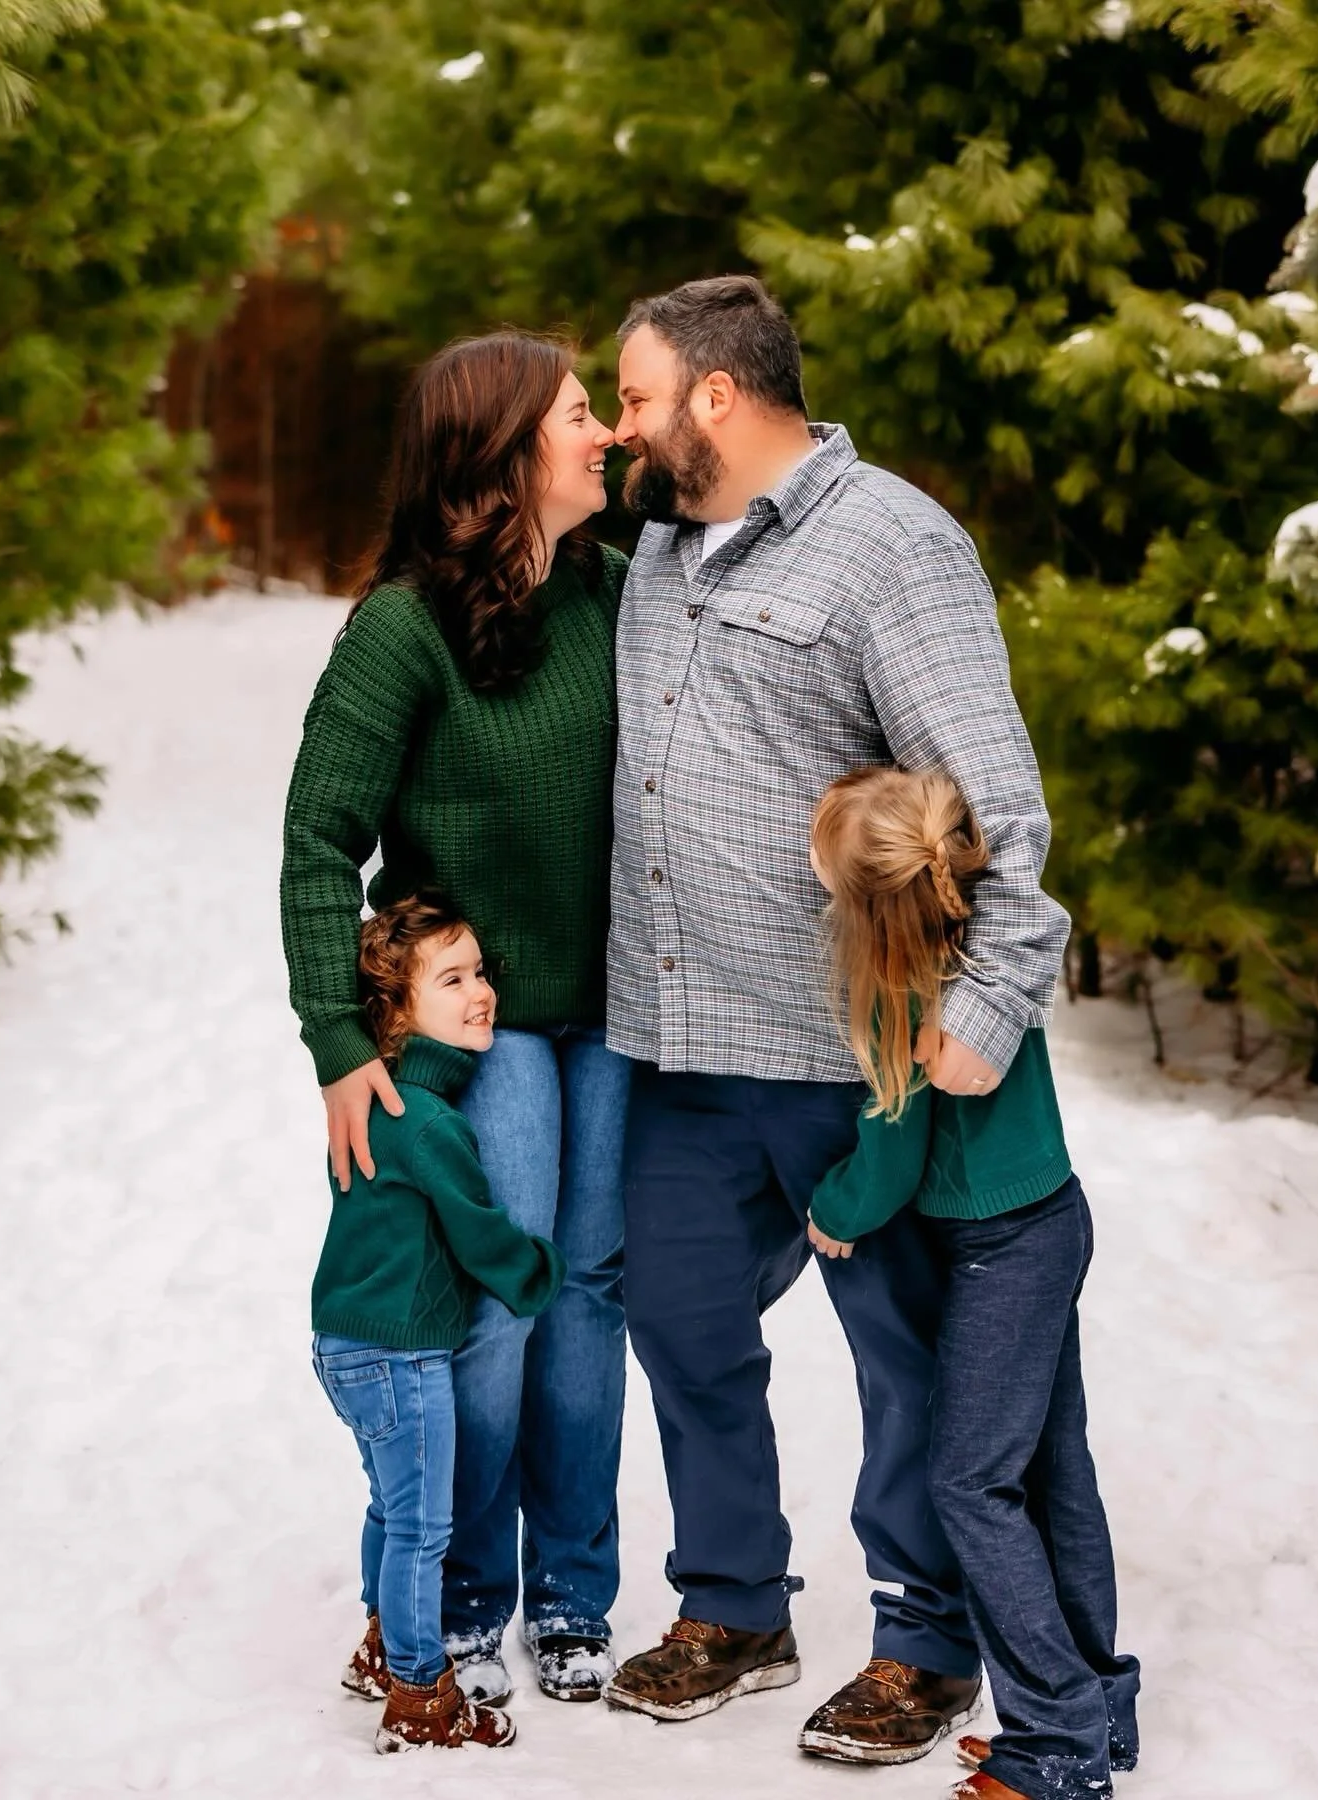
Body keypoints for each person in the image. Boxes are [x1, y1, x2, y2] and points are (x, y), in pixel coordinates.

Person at [603, 275, 1072, 1762]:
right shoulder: (662, 549)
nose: (621, 426)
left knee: (903, 1362)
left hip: (849, 1058)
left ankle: (926, 1642)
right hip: (680, 1045)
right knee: (679, 1324)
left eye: (634, 396)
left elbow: (993, 806)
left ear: (718, 399)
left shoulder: (897, 548)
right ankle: (734, 1601)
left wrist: (987, 1010)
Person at [280, 334, 631, 1704]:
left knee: (590, 1296)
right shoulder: (404, 626)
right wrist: (337, 1045)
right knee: (500, 1293)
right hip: (479, 1026)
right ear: (501, 453)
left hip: (619, 1009)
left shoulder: (616, 586)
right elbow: (319, 837)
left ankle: (577, 1594)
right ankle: (466, 1589)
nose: (605, 433)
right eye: (579, 414)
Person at [803, 765, 1140, 1800]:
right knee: (1050, 1468)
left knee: (972, 1483)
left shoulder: (902, 981)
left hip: (1003, 1247)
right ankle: (1093, 1709)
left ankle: (1054, 1749)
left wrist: (835, 1210)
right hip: (1048, 1219)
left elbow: (893, 1146)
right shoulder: (985, 949)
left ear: (868, 904)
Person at [310, 892, 566, 1752]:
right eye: (451, 980)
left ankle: (383, 1643)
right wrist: (538, 1271)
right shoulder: (426, 1122)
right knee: (422, 1526)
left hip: (347, 1342)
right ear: (395, 1011)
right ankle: (421, 1694)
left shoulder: (383, 1106)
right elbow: (480, 1233)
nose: (480, 992)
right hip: (397, 1353)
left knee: (393, 1507)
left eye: (480, 971)